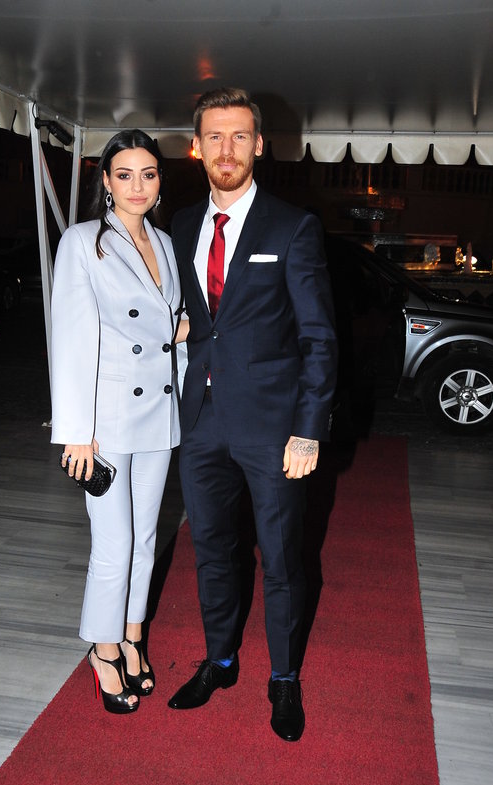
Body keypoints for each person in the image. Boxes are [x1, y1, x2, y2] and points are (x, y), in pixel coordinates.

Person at [167, 88, 337, 741]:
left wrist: (308, 429)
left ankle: (284, 677)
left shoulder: (292, 227)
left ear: (259, 145)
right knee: (212, 549)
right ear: (197, 146)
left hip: (273, 428)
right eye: (214, 136)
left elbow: (318, 338)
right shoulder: (183, 223)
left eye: (239, 136)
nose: (227, 149)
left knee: (283, 557)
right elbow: (197, 315)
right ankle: (220, 660)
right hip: (201, 420)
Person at [50, 129, 186, 714]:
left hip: (158, 412)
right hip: (105, 422)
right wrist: (75, 432)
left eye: (148, 174)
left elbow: (168, 322)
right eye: (124, 174)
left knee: (146, 538)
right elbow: (72, 340)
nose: (137, 186)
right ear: (105, 181)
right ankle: (102, 649)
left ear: (159, 181)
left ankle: (132, 636)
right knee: (115, 542)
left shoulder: (167, 242)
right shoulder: (83, 242)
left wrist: (189, 333)